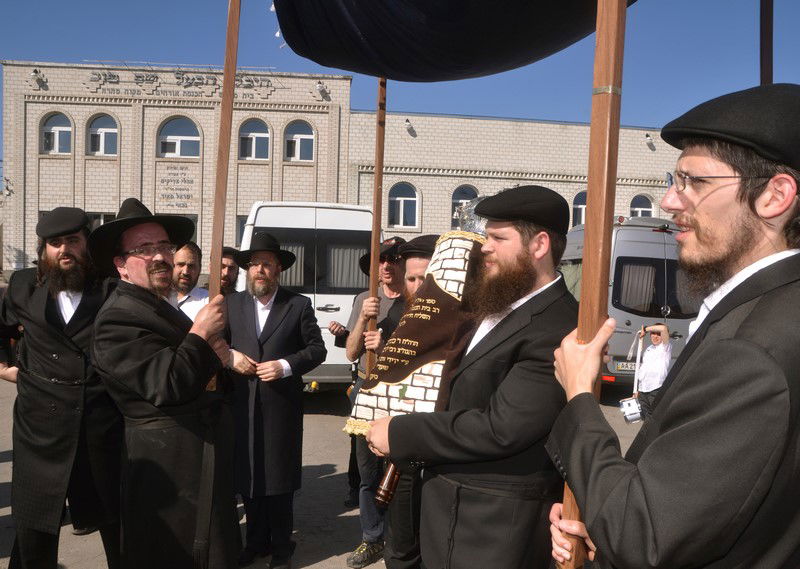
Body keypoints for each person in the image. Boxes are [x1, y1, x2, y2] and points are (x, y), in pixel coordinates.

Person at [548, 83, 800, 569]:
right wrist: (603, 514)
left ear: (775, 195)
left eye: (694, 182)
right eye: (674, 179)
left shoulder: (753, 350)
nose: (668, 201)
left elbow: (643, 536)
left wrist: (580, 396)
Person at [367, 185, 579, 569]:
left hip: (493, 529)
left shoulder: (559, 324)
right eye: (486, 236)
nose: (485, 247)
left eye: (498, 237)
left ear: (540, 244)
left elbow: (503, 427)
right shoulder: (494, 303)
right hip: (445, 514)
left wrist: (400, 432)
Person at [89, 198, 239, 569]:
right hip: (168, 471)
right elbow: (168, 384)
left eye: (164, 247)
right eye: (144, 249)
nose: (160, 257)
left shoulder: (154, 304)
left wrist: (217, 357)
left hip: (192, 460)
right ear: (121, 265)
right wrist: (201, 333)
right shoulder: (117, 319)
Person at [0, 207, 123, 569]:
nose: (64, 249)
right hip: (39, 430)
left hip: (100, 425)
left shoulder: (111, 286)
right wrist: (5, 368)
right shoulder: (22, 285)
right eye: (55, 243)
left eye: (72, 240)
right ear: (44, 250)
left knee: (116, 526)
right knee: (34, 528)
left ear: (87, 243)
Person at [226, 231, 326, 569]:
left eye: (266, 264)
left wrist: (285, 366)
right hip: (242, 406)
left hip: (281, 407)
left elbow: (316, 350)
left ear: (278, 269)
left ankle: (282, 546)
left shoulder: (297, 305)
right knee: (249, 479)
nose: (259, 271)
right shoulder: (232, 304)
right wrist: (229, 356)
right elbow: (214, 344)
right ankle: (256, 542)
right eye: (254, 265)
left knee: (279, 481)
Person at [345, 236, 406, 569]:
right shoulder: (364, 298)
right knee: (368, 475)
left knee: (399, 473)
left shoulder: (415, 301)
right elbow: (351, 352)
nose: (386, 265)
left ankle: (398, 538)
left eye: (393, 258)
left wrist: (384, 348)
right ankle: (371, 538)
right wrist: (361, 318)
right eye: (380, 259)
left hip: (399, 397)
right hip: (365, 394)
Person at [381, 234, 437, 569]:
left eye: (424, 279)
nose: (417, 286)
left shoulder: (464, 323)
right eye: (412, 278)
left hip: (439, 455)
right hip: (401, 453)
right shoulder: (399, 315)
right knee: (400, 548)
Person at [633, 322, 670, 418]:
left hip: (656, 389)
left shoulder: (665, 347)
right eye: (653, 333)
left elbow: (663, 328)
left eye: (658, 334)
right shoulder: (649, 349)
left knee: (655, 419)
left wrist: (645, 329)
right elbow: (643, 369)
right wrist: (637, 390)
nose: (655, 336)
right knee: (646, 420)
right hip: (643, 391)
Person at [171, 241, 209, 321]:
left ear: (199, 268)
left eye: (191, 266)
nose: (185, 271)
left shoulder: (208, 302)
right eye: (181, 264)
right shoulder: (159, 298)